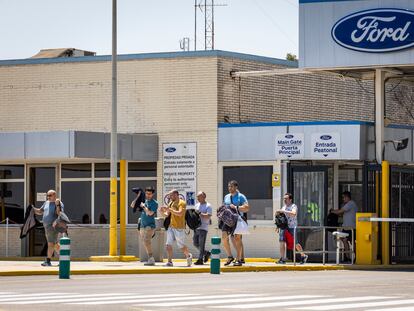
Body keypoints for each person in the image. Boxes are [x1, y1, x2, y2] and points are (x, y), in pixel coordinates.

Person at [160, 190, 193, 267]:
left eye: (171, 195)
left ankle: (188, 256)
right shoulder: (171, 203)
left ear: (176, 195)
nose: (170, 197)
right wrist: (162, 211)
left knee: (181, 246)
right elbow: (167, 215)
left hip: (179, 227)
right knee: (168, 245)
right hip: (171, 227)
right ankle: (170, 262)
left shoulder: (182, 203)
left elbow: (180, 213)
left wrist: (170, 209)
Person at [33, 190, 64, 267]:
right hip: (46, 227)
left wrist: (57, 205)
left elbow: (59, 214)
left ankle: (48, 261)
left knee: (50, 244)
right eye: (47, 195)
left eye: (50, 195)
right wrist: (32, 209)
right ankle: (64, 258)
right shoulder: (46, 203)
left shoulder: (59, 203)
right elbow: (40, 211)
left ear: (54, 195)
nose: (48, 197)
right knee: (54, 243)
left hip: (53, 226)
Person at [221, 180, 249, 266]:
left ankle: (239, 259)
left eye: (232, 186)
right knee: (224, 237)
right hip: (227, 220)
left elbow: (247, 207)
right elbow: (224, 206)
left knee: (237, 238)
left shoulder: (241, 196)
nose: (230, 188)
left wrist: (237, 207)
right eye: (229, 186)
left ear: (236, 187)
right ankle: (230, 256)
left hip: (238, 219)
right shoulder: (226, 197)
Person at [277, 193, 308, 264]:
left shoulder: (294, 206)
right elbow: (281, 217)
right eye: (284, 198)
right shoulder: (283, 207)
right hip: (283, 227)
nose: (284, 200)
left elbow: (293, 213)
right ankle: (282, 258)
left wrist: (283, 211)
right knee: (282, 242)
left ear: (290, 199)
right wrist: (278, 226)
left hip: (292, 227)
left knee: (295, 243)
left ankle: (303, 255)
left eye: (286, 198)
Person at [329, 191, 357, 262]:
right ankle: (348, 257)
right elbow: (341, 214)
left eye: (343, 197)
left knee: (352, 242)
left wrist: (332, 211)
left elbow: (340, 211)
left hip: (351, 228)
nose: (343, 199)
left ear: (347, 197)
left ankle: (356, 256)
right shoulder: (348, 205)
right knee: (344, 240)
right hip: (346, 227)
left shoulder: (350, 204)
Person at [136, 186, 159, 266]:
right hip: (142, 225)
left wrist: (144, 206)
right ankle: (150, 258)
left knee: (146, 241)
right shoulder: (143, 201)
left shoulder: (154, 203)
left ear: (153, 194)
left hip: (150, 225)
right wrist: (137, 198)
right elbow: (132, 205)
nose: (148, 195)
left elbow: (150, 213)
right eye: (146, 193)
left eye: (149, 194)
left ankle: (151, 259)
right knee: (145, 242)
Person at [193, 191, 212, 265]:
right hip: (196, 227)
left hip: (203, 227)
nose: (197, 198)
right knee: (195, 243)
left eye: (199, 197)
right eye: (197, 197)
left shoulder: (208, 205)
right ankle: (206, 253)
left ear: (204, 197)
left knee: (201, 244)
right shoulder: (196, 205)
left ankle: (200, 259)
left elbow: (209, 215)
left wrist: (200, 214)